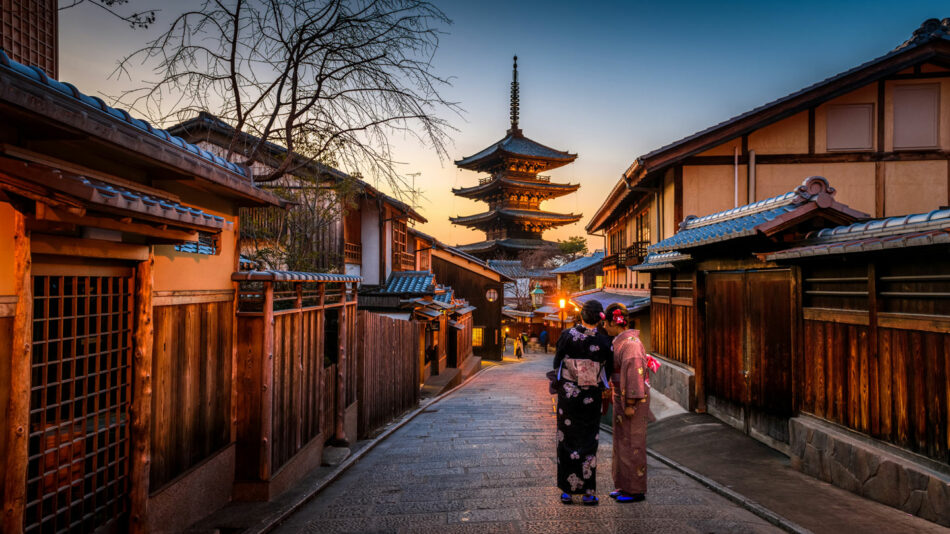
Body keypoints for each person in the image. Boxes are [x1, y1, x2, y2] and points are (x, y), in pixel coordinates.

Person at [552, 300, 613, 506]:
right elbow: (608, 369)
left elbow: (557, 362)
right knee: (588, 440)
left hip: (569, 396)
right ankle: (588, 492)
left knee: (566, 438)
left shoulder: (567, 335)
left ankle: (567, 491)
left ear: (581, 315)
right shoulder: (605, 341)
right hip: (591, 396)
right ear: (599, 318)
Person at [603, 303, 659, 503]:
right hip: (621, 395)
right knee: (621, 442)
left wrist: (630, 403)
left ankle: (635, 490)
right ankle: (624, 485)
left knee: (633, 442)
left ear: (613, 322)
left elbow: (634, 375)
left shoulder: (631, 345)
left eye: (606, 323)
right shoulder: (622, 342)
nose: (604, 327)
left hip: (631, 398)